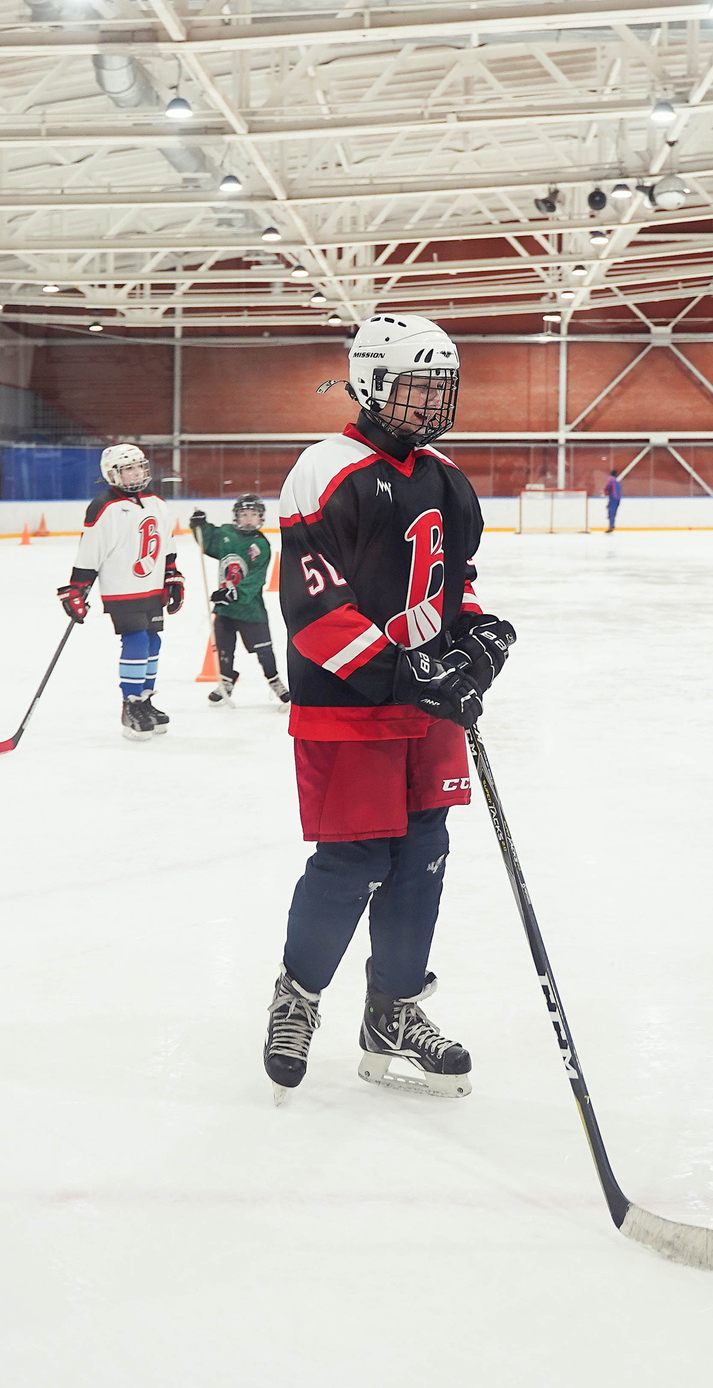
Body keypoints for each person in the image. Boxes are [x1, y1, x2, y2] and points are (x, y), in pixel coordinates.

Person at [262, 313, 514, 1102]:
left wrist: (478, 637)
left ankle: (391, 1016)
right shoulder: (325, 468)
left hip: (425, 710)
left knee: (422, 859)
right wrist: (407, 674)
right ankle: (297, 997)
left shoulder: (446, 476)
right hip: (350, 708)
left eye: (441, 388)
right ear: (369, 382)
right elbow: (315, 612)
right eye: (414, 387)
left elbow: (451, 583)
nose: (430, 403)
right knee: (353, 860)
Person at [60, 443, 184, 740]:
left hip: (152, 587)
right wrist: (77, 588)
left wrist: (173, 576)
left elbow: (167, 545)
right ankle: (130, 705)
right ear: (112, 474)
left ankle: (146, 700)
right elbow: (90, 553)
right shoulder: (103, 506)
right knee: (138, 641)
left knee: (153, 642)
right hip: (122, 589)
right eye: (127, 469)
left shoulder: (157, 502)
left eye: (138, 466)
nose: (135, 473)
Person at [191, 493, 287, 705]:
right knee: (224, 648)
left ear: (261, 518)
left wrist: (233, 593)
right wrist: (199, 525)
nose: (249, 519)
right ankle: (226, 681)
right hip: (225, 610)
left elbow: (255, 580)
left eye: (253, 514)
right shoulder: (226, 533)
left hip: (251, 611)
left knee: (263, 650)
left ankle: (275, 681)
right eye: (244, 514)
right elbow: (208, 543)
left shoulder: (261, 546)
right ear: (236, 516)